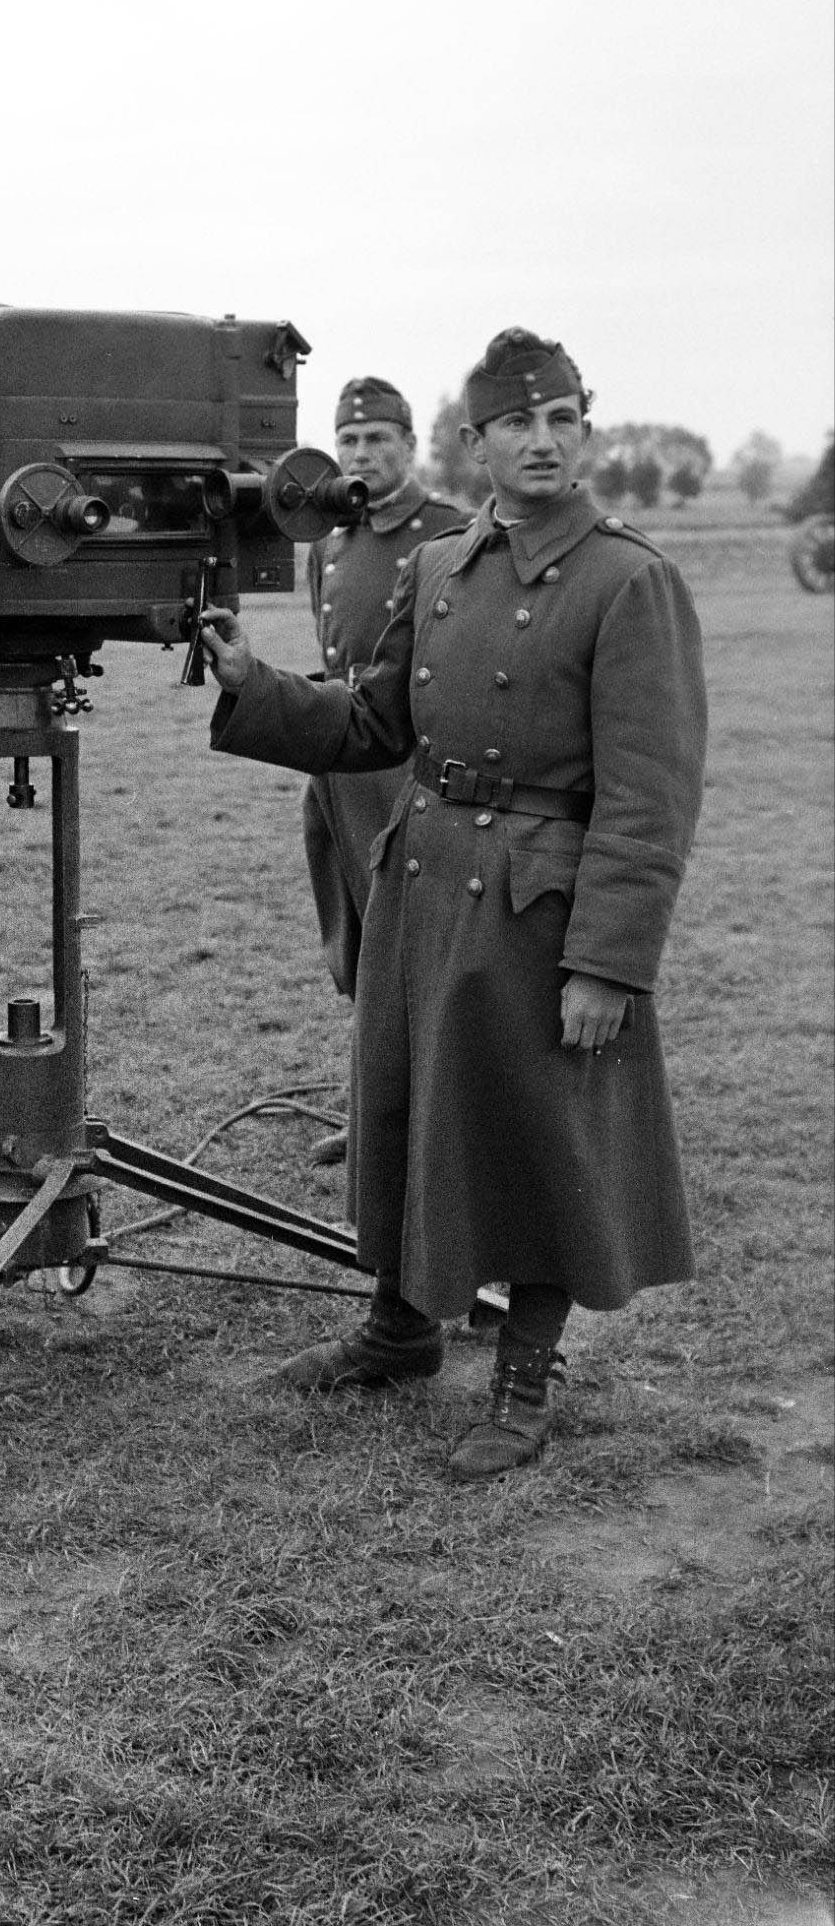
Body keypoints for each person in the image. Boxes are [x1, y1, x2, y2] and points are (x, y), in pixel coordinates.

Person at [201, 328, 706, 1479]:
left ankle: (524, 1379)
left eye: (562, 419)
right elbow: (373, 723)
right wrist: (253, 684)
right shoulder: (439, 566)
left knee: (538, 1135)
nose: (544, 440)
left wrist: (609, 963)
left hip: (534, 905)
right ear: (476, 444)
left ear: (586, 429)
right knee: (406, 1107)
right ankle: (399, 1328)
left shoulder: (629, 581)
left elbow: (651, 799)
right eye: (518, 423)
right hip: (422, 877)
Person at [302, 378, 466, 1164]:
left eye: (377, 439)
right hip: (338, 760)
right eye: (349, 441)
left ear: (409, 444)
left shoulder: (449, 532)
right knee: (356, 939)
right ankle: (372, 1109)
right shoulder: (329, 540)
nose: (361, 455)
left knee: (414, 946)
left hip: (407, 765)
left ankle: (428, 1119)